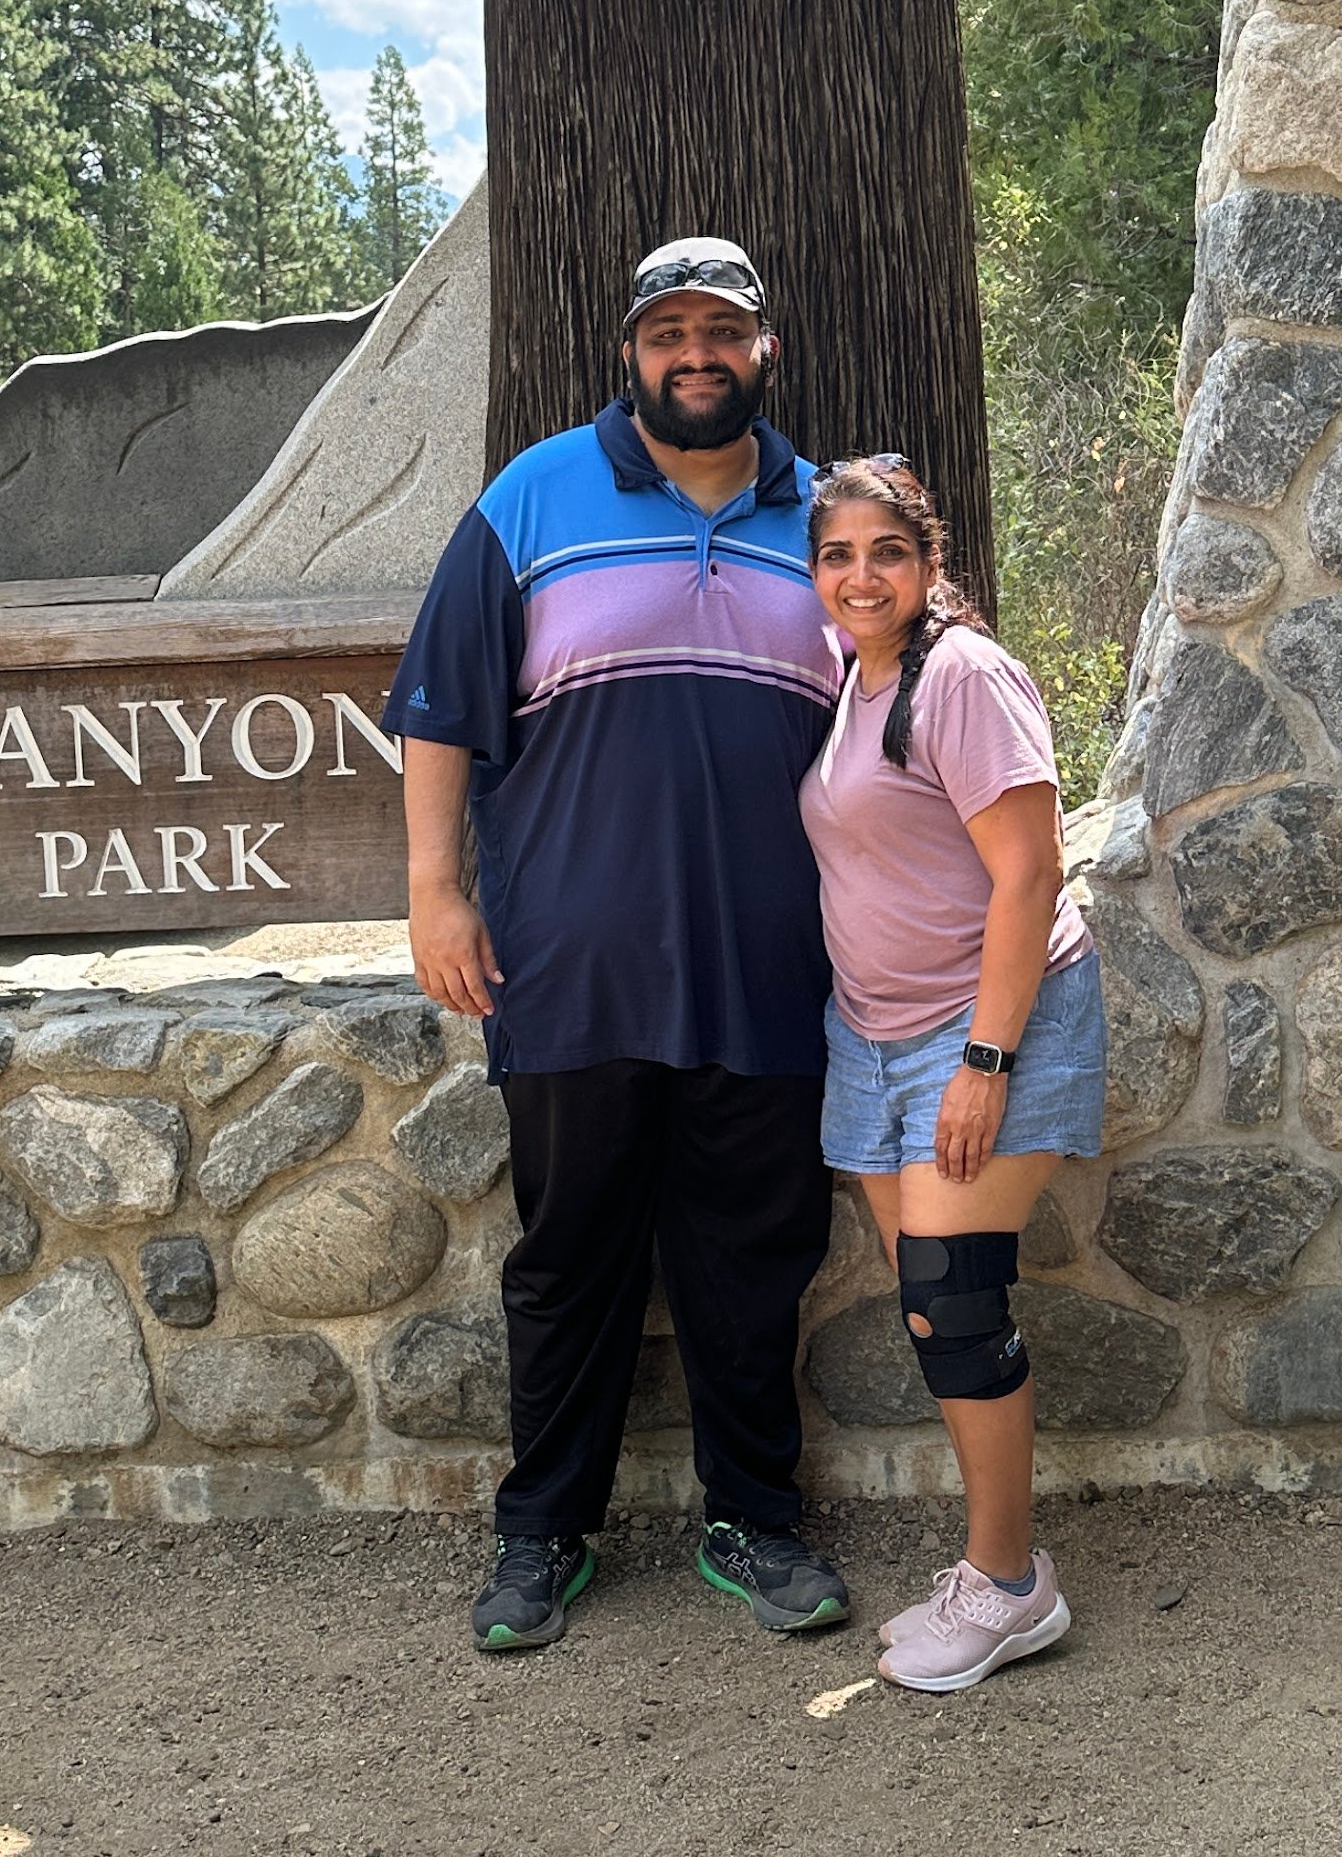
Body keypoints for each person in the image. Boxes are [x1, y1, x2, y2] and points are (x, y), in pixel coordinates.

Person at [388, 236, 853, 1654]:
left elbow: (906, 720)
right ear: (633, 349)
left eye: (723, 329)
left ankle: (755, 1522)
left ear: (764, 348)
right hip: (572, 965)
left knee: (752, 1257)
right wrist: (434, 889)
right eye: (670, 332)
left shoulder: (828, 520)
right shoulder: (534, 496)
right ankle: (542, 1538)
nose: (695, 353)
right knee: (570, 1259)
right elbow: (437, 710)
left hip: (772, 967)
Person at [799, 455, 1106, 1694]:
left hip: (976, 1034)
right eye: (836, 556)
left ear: (929, 563)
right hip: (868, 1038)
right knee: (936, 1310)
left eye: (886, 552)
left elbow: (1030, 876)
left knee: (955, 1305)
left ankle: (1013, 1585)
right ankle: (993, 1569)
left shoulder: (963, 677)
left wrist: (985, 1064)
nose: (860, 576)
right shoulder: (848, 677)